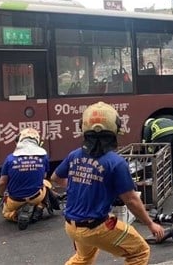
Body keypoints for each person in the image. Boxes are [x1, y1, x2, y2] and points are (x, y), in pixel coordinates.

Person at [51, 101, 164, 265]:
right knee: (140, 252)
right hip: (96, 228)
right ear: (115, 130)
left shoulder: (74, 155)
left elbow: (55, 178)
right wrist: (151, 224)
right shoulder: (115, 163)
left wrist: (80, 186)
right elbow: (131, 200)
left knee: (83, 258)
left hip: (71, 226)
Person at [0, 128, 55, 230]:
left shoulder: (10, 158)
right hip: (36, 196)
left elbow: (2, 183)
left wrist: (1, 195)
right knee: (46, 183)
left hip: (15, 200)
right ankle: (40, 207)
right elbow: (44, 176)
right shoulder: (43, 156)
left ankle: (17, 215)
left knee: (6, 213)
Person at [142, 117, 173, 185]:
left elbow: (146, 142)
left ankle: (152, 176)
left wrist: (147, 152)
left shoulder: (149, 126)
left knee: (154, 155)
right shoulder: (166, 120)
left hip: (162, 135)